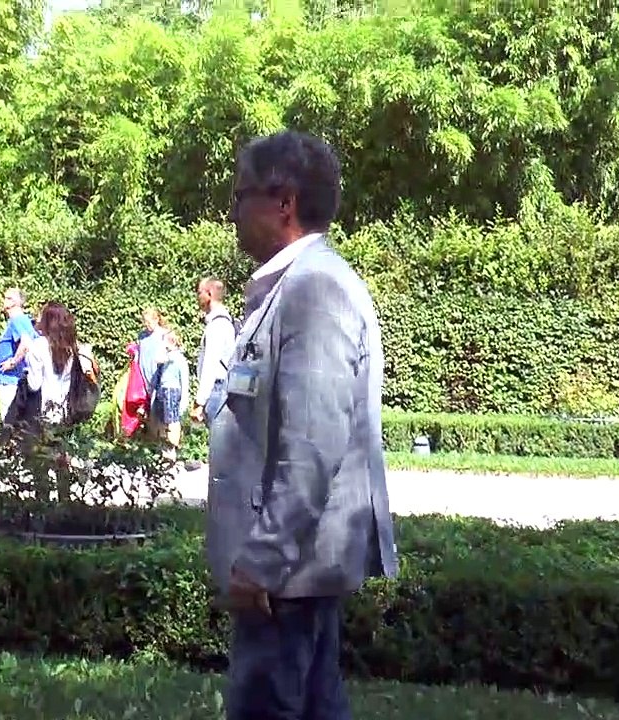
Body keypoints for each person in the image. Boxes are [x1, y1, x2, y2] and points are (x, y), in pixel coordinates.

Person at [206, 131, 398, 720]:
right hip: (294, 573)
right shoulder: (295, 285)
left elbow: (311, 448)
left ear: (283, 202)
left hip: (286, 578)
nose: (232, 212)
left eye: (240, 196)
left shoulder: (314, 290)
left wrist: (263, 558)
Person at [192, 277, 238, 428]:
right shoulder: (224, 321)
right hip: (220, 389)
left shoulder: (217, 325)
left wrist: (200, 402)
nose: (197, 297)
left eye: (199, 292)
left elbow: (210, 365)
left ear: (209, 293)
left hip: (217, 390)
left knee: (216, 439)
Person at [25, 301, 81, 425]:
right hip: (66, 410)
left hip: (43, 413)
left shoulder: (38, 345)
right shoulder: (71, 346)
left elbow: (34, 385)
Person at [0, 287, 38, 418]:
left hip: (11, 381)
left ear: (14, 302)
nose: (3, 301)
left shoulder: (17, 319)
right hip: (13, 381)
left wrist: (12, 362)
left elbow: (26, 342)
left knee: (10, 421)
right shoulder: (22, 320)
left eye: (7, 298)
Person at [150, 329, 190, 462]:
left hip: (172, 391)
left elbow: (184, 380)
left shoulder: (177, 358)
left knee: (172, 420)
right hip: (162, 390)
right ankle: (163, 450)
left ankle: (172, 450)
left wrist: (184, 400)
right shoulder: (166, 357)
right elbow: (158, 359)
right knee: (161, 420)